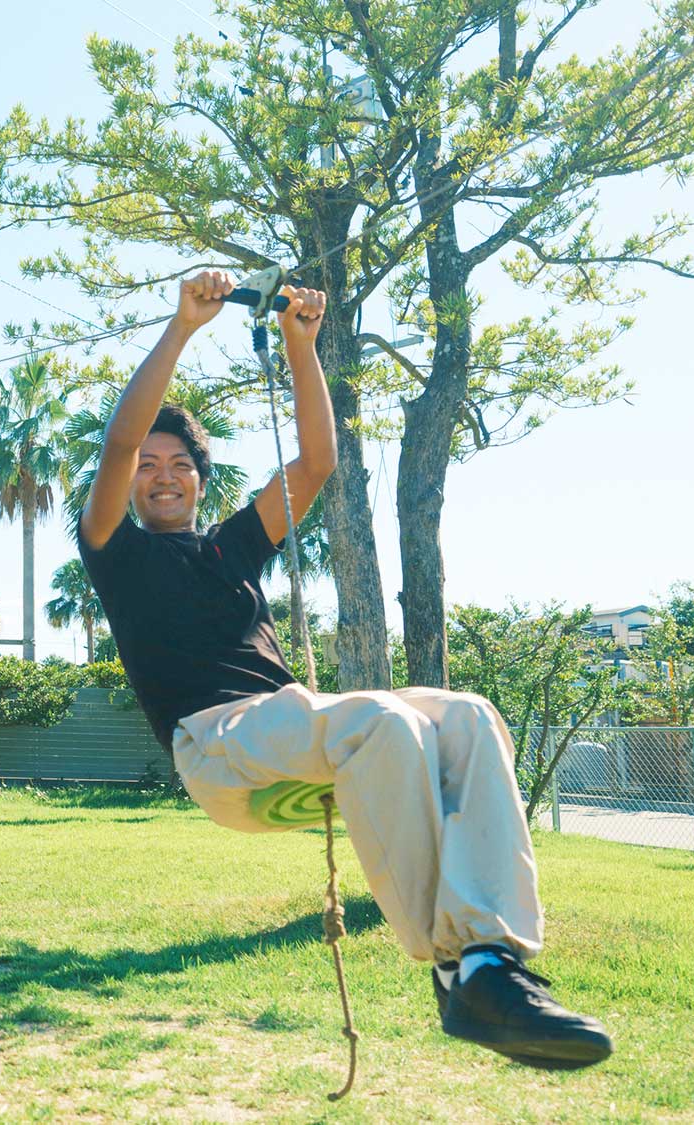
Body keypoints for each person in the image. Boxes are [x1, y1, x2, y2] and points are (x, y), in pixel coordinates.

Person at [75, 270, 612, 1070]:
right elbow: (118, 442)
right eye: (148, 462)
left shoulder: (227, 550)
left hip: (290, 722)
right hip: (216, 745)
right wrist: (184, 328)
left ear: (200, 476)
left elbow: (318, 463)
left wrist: (302, 347)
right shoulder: (113, 549)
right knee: (384, 719)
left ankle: (493, 962)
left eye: (178, 461)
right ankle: (453, 967)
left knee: (466, 714)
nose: (160, 472)